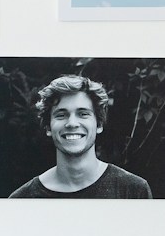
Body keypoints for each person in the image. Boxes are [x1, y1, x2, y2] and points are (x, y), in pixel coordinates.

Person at [8, 74, 152, 198]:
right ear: (48, 127)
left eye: (83, 114)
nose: (72, 123)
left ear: (99, 124)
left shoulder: (133, 190)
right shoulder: (22, 198)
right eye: (61, 115)